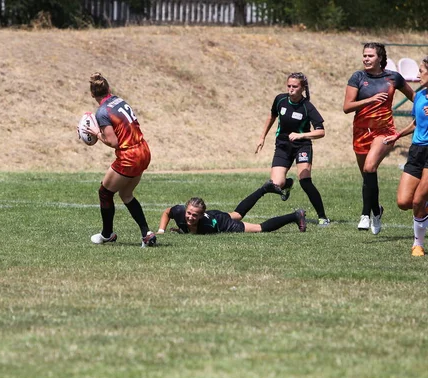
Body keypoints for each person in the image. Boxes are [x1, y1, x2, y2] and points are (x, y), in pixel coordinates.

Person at [343, 42, 415, 234]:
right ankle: (377, 210)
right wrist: (369, 100)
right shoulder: (357, 77)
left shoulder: (393, 78)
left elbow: (416, 98)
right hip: (361, 132)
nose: (366, 59)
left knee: (369, 167)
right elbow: (347, 107)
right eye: (364, 55)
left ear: (380, 58)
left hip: (385, 131)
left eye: (370, 56)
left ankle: (365, 214)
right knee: (367, 177)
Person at [84, 72, 157, 247]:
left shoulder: (102, 112)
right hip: (143, 150)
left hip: (129, 155)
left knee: (104, 193)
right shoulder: (119, 101)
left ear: (92, 94)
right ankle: (147, 234)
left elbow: (113, 142)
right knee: (125, 194)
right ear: (109, 89)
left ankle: (107, 234)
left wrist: (96, 134)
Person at [255, 72, 331, 227]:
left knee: (305, 181)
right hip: (282, 145)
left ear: (302, 88)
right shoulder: (280, 100)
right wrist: (262, 137)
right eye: (289, 86)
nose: (291, 89)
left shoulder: (307, 107)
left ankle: (323, 217)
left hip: (302, 146)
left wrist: (301, 135)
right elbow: (272, 116)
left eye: (295, 86)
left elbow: (321, 131)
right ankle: (287, 183)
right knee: (275, 184)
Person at [384, 56, 428, 256]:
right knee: (404, 202)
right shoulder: (419, 96)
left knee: (419, 200)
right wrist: (397, 135)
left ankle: (417, 244)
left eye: (421, 71)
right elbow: (417, 123)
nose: (418, 75)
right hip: (416, 150)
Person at [156, 187, 307, 235]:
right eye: (188, 213)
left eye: (194, 215)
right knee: (237, 214)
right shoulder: (179, 211)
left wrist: (183, 231)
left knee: (259, 228)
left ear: (201, 215)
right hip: (214, 214)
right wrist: (161, 230)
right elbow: (167, 212)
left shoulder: (207, 227)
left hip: (220, 222)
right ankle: (264, 189)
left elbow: (195, 233)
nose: (189, 217)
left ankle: (295, 215)